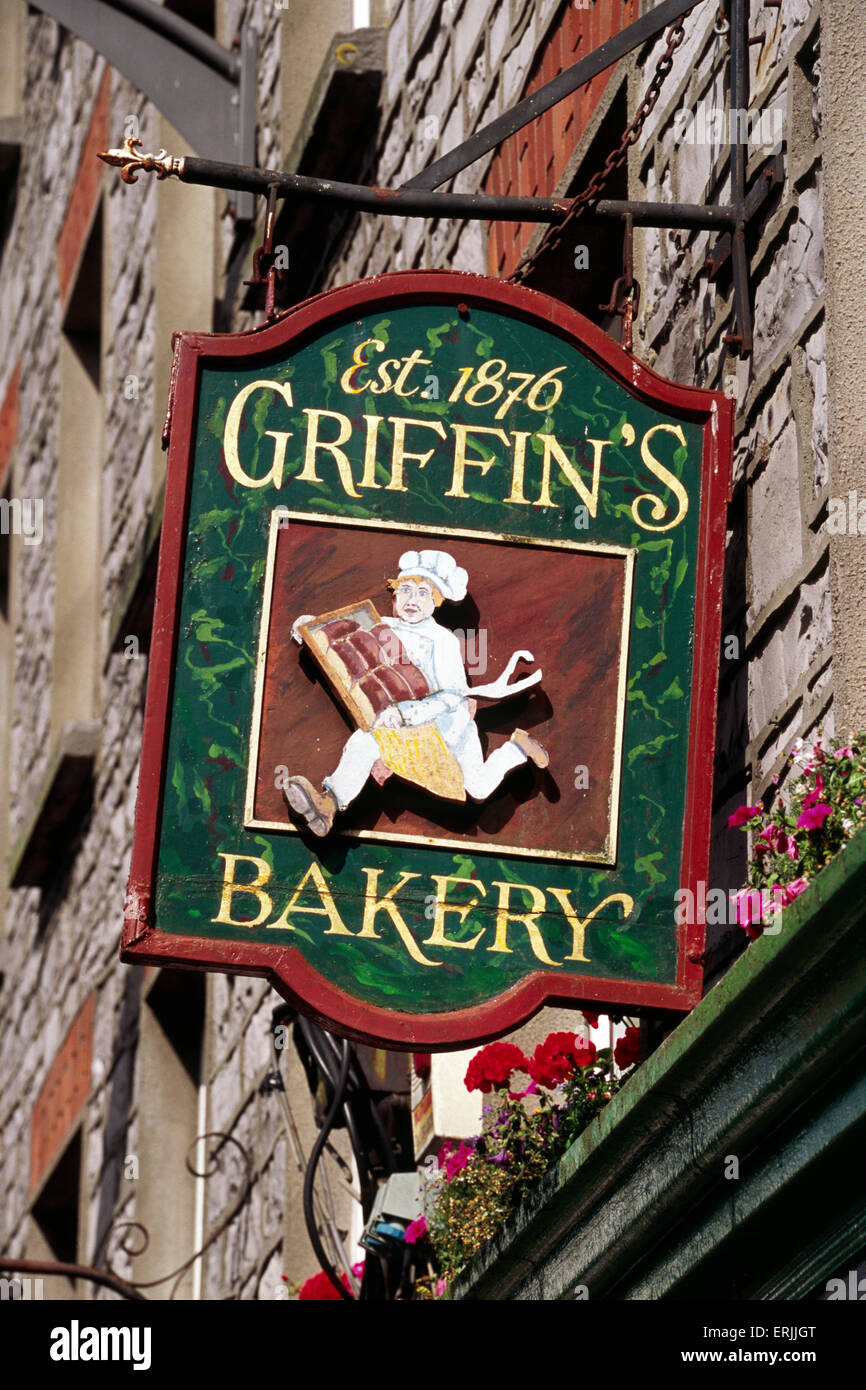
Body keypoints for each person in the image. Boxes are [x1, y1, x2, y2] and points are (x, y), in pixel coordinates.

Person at [284, 548, 548, 836]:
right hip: (398, 729)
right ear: (395, 596)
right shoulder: (379, 626)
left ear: (436, 602)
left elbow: (451, 696)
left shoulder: (443, 640)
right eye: (406, 590)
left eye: (423, 593)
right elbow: (345, 641)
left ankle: (518, 748)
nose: (413, 600)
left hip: (447, 731)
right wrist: (311, 631)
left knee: (480, 788)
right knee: (364, 742)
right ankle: (328, 804)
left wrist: (404, 714)